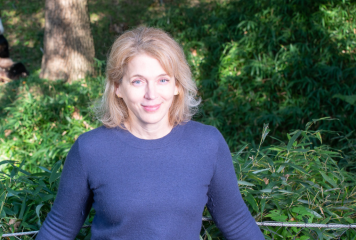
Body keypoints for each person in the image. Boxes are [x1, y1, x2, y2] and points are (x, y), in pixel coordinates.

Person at [35, 27, 264, 239]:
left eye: (162, 80)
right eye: (137, 82)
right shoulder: (90, 150)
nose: (151, 94)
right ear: (118, 88)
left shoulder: (207, 143)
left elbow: (237, 222)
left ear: (177, 85)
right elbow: (59, 229)